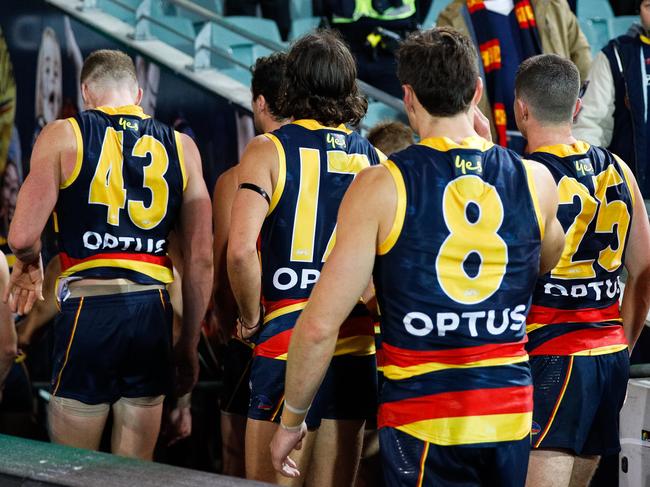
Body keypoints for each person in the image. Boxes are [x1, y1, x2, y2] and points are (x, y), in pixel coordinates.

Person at [270, 27, 566, 486]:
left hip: (422, 419)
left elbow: (320, 324)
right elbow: (545, 259)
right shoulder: (535, 179)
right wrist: (492, 147)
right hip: (508, 414)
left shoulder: (380, 184)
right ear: (477, 92)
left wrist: (291, 421)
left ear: (407, 97)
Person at [5, 49, 213, 460]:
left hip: (90, 312)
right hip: (152, 312)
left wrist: (30, 259)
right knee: (134, 471)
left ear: (86, 93)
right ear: (137, 94)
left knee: (74, 469)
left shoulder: (64, 134)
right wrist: (188, 343)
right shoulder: (182, 146)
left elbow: (22, 235)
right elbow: (202, 258)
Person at [227, 30, 383, 486]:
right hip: (354, 342)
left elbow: (240, 251)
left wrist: (251, 317)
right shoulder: (372, 157)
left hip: (289, 336)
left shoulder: (268, 148)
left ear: (292, 84)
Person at [514, 54, 650, 487]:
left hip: (549, 354)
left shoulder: (525, 175)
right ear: (577, 106)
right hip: (608, 356)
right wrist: (622, 348)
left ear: (521, 108)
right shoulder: (619, 167)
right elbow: (645, 272)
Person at [213, 52, 288, 478]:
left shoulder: (237, 176)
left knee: (239, 456)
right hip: (316, 333)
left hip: (256, 331)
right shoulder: (340, 164)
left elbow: (231, 257)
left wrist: (240, 325)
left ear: (259, 103)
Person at [437, 0, 591, 151]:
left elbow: (582, 60)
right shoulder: (452, 17)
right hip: (489, 140)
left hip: (551, 137)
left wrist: (563, 111)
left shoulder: (551, 4)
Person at [573, 0, 650, 199]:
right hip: (631, 196)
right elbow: (590, 125)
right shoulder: (616, 55)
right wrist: (589, 182)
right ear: (638, 10)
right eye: (648, 6)